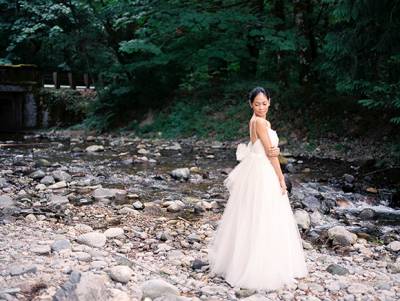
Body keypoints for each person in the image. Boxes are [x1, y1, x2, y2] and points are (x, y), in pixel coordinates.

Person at [207, 87, 308, 290]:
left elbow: (260, 147)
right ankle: (261, 267)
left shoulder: (255, 121)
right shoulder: (261, 122)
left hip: (255, 169)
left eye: (264, 103)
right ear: (251, 104)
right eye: (257, 104)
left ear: (269, 101)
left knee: (250, 216)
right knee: (266, 216)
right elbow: (271, 155)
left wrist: (274, 150)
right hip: (263, 171)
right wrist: (281, 179)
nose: (261, 107)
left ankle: (240, 262)